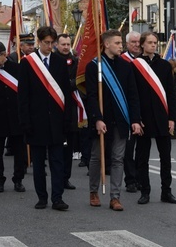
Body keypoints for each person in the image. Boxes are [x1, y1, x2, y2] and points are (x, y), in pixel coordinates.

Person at [85, 29, 142, 212]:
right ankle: (93, 191)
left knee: (118, 158)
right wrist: (97, 119)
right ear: (106, 44)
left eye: (121, 43)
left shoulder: (126, 66)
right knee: (97, 157)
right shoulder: (94, 66)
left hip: (121, 119)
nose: (121, 46)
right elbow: (92, 96)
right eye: (117, 43)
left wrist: (135, 119)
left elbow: (133, 95)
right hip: (102, 120)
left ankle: (115, 197)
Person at [18, 26, 73, 211]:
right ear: (39, 42)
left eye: (52, 43)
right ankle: (42, 197)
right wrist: (25, 122)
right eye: (46, 43)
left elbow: (66, 92)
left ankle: (57, 198)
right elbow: (23, 95)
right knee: (39, 162)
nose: (50, 46)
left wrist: (67, 120)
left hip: (57, 121)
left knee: (57, 161)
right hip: (36, 121)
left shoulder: (59, 62)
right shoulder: (27, 63)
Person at [131, 31, 176, 205]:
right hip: (144, 118)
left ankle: (166, 191)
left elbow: (171, 94)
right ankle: (145, 191)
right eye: (150, 42)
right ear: (142, 44)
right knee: (142, 157)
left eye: (155, 42)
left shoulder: (165, 66)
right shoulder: (135, 65)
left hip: (162, 117)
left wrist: (172, 118)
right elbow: (133, 95)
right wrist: (135, 118)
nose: (153, 45)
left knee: (165, 157)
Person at [0, 41, 27, 193]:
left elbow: (24, 96)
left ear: (4, 54)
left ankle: (18, 179)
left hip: (16, 117)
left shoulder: (18, 69)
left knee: (19, 151)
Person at [54, 33, 80, 190]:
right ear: (57, 44)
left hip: (71, 107)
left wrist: (69, 84)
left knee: (69, 145)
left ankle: (66, 178)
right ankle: (57, 177)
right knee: (57, 146)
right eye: (62, 44)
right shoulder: (52, 60)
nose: (65, 47)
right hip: (56, 107)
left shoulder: (75, 62)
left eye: (68, 44)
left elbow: (77, 81)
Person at [119, 31, 141, 193]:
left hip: (144, 109)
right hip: (128, 110)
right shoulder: (122, 61)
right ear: (127, 44)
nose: (136, 44)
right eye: (133, 42)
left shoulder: (144, 61)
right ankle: (130, 180)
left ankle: (141, 178)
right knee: (128, 148)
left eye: (139, 42)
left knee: (143, 149)